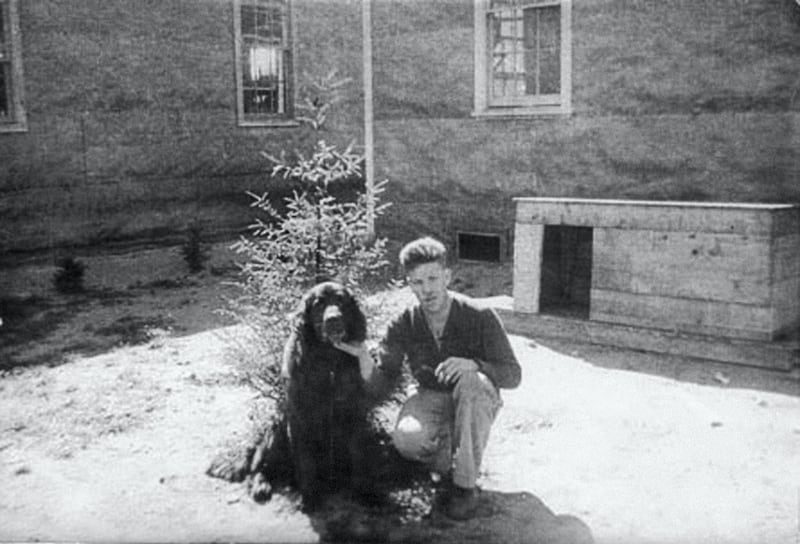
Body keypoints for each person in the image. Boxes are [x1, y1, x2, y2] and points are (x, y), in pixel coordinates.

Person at [334, 236, 521, 520]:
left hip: (475, 397)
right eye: (418, 282)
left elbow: (513, 374)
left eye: (433, 278)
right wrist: (363, 358)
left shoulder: (480, 315)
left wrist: (476, 364)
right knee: (407, 441)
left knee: (473, 383)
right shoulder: (405, 322)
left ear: (447, 276)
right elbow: (384, 382)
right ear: (409, 284)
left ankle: (465, 487)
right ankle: (450, 463)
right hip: (430, 397)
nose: (427, 289)